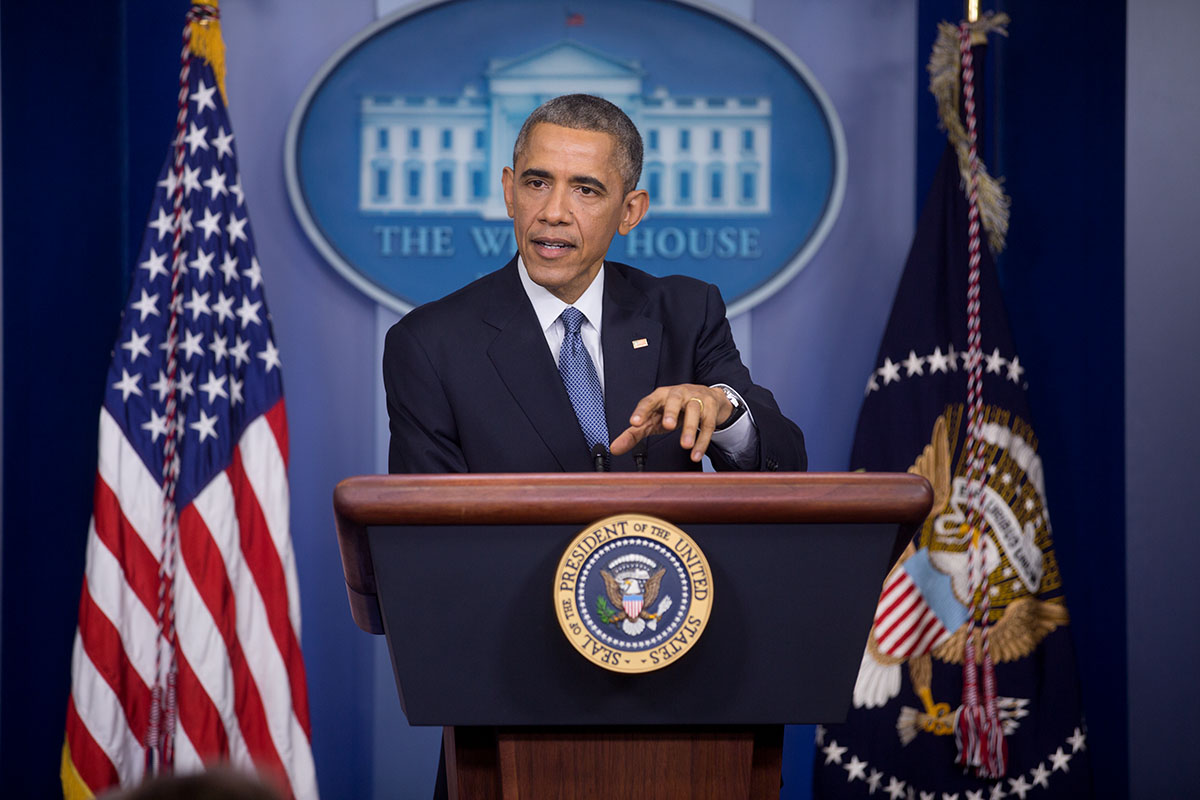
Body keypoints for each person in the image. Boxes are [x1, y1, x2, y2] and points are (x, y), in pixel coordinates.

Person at [383, 93, 806, 474]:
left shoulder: (686, 313)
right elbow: (429, 533)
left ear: (630, 212)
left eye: (585, 190)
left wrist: (725, 413)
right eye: (537, 183)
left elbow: (784, 466)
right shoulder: (429, 344)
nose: (554, 212)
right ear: (510, 192)